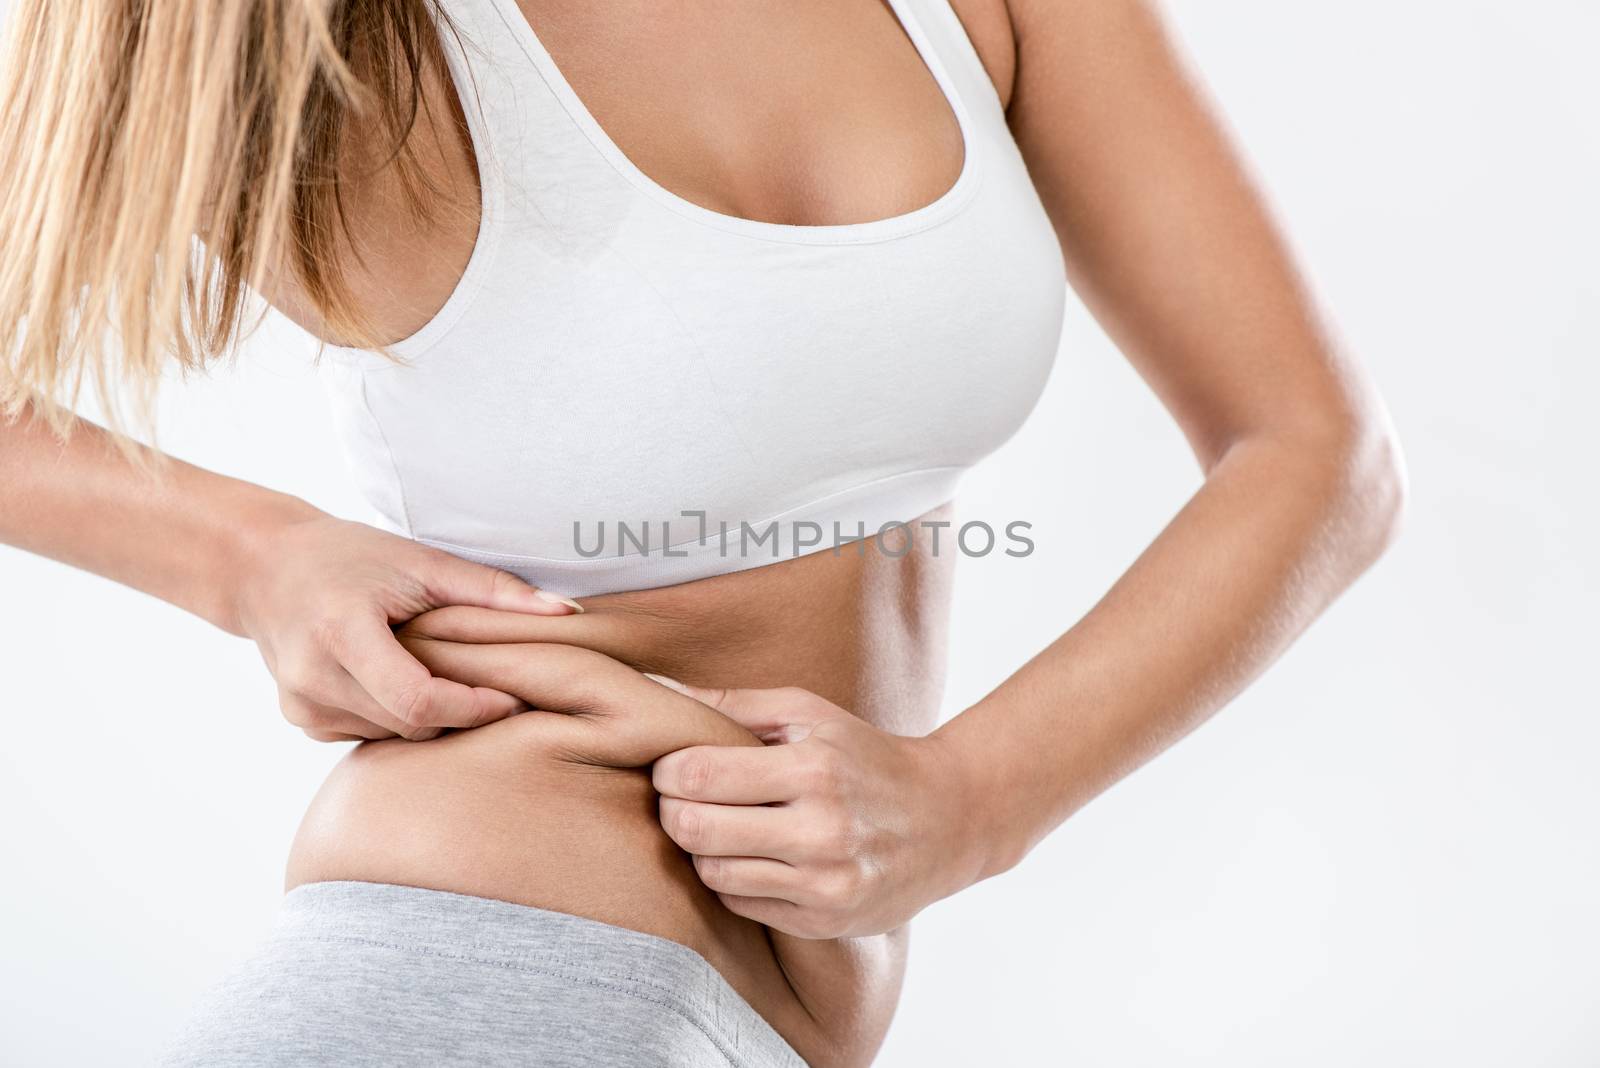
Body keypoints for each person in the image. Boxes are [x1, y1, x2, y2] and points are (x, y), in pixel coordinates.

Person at [0, 1, 1405, 1064]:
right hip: (491, 958)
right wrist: (249, 554)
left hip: (746, 1011)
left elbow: (1316, 451)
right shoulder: (343, 36)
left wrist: (977, 798)